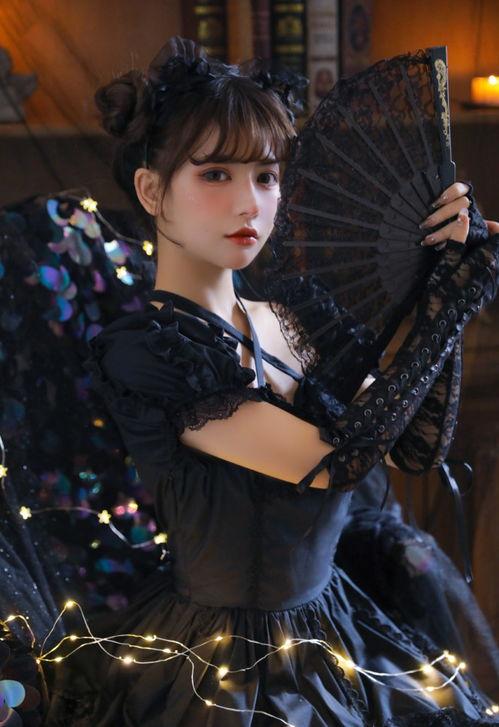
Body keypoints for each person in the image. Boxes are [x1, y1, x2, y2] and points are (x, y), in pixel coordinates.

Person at [42, 37, 499, 726]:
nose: (249, 204)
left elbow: (415, 445)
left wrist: (443, 277)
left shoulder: (297, 314)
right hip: (220, 670)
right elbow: (337, 460)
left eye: (265, 176)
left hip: (339, 630)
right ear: (151, 190)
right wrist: (451, 305)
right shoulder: (148, 352)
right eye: (215, 174)